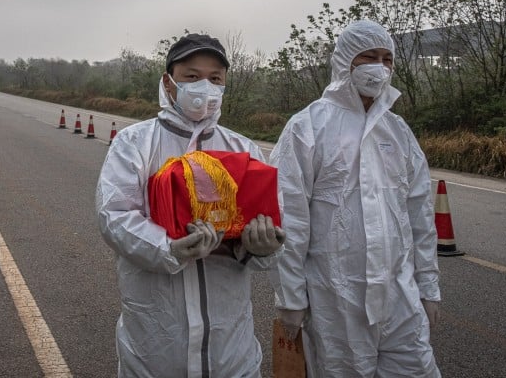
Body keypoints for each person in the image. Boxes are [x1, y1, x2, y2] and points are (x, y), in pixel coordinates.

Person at [96, 33, 286, 378]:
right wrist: (169, 248)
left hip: (231, 346)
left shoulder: (244, 150)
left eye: (215, 79)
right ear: (169, 83)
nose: (205, 87)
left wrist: (263, 248)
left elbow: (269, 219)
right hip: (157, 339)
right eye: (192, 76)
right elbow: (115, 216)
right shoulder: (134, 143)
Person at [270, 19, 442, 377]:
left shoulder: (397, 131)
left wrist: (428, 285)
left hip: (399, 295)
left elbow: (419, 216)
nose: (379, 67)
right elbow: (290, 218)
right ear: (346, 60)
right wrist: (291, 298)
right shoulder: (309, 127)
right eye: (369, 57)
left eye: (387, 58)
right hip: (336, 299)